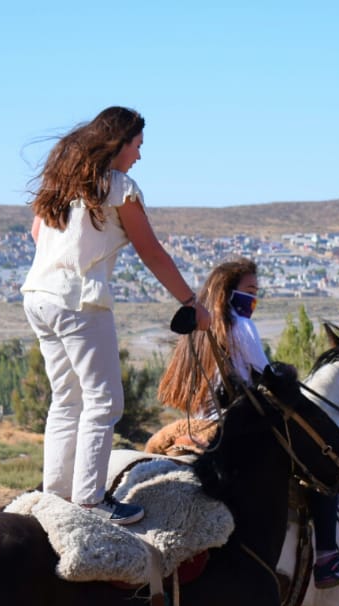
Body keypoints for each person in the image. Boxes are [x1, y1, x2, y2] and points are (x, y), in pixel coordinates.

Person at [22, 106, 210, 525]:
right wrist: (191, 302)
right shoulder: (118, 187)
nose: (139, 156)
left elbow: (36, 234)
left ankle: (55, 494)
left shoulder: (60, 184)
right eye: (137, 146)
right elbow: (151, 252)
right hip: (80, 301)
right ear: (118, 143)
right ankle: (90, 500)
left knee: (66, 398)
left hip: (38, 295)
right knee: (104, 401)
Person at [156, 258, 339, 589]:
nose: (254, 298)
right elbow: (267, 376)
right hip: (234, 425)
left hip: (198, 423)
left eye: (257, 291)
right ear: (229, 292)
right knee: (319, 459)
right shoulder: (241, 326)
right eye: (250, 291)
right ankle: (328, 557)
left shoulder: (201, 331)